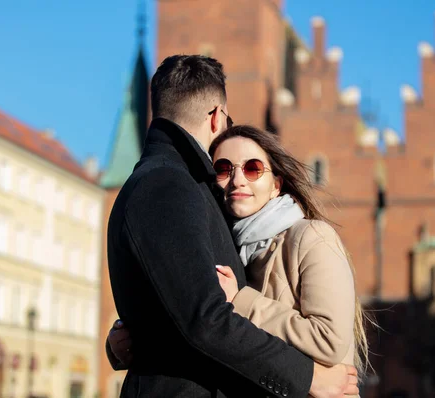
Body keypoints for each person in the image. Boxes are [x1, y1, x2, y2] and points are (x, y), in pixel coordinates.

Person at [105, 54, 359, 398]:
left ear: (277, 182)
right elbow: (204, 318)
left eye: (253, 168)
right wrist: (308, 378)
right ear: (216, 118)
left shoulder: (303, 237)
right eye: (223, 169)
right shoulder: (170, 186)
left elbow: (187, 304)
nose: (236, 179)